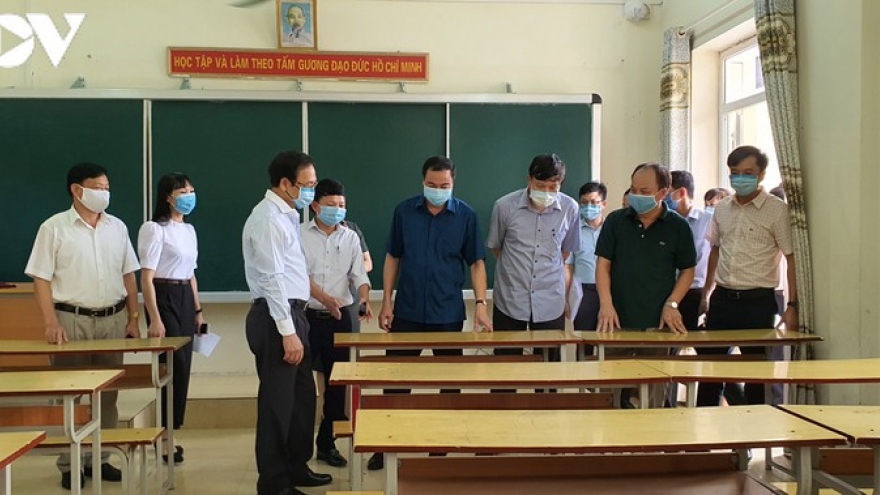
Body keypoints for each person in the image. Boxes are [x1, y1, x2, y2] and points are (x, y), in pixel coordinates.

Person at [370, 156, 491, 471]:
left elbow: (477, 262)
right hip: (407, 309)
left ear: (453, 183)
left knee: (449, 381)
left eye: (444, 185)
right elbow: (393, 257)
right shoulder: (404, 211)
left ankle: (442, 442)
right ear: (423, 182)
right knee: (397, 380)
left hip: (447, 311)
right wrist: (386, 301)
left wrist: (481, 303)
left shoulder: (466, 215)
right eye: (431, 185)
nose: (437, 190)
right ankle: (385, 444)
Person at [25, 162, 140, 490]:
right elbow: (41, 279)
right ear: (77, 190)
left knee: (107, 395)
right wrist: (50, 322)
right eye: (98, 188)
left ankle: (99, 458)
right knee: (70, 395)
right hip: (70, 319)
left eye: (107, 188)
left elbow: (129, 274)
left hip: (113, 320)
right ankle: (69, 462)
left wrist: (133, 318)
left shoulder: (117, 227)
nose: (104, 193)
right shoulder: (53, 228)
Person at [242, 151, 331, 495]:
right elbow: (272, 278)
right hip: (276, 317)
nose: (311, 191)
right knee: (277, 404)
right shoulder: (267, 219)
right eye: (306, 185)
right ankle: (274, 482)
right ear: (284, 183)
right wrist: (287, 331)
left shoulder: (287, 215)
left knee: (301, 399)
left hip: (295, 314)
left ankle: (296, 466)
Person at [697, 146, 797, 407]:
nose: (740, 178)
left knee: (756, 375)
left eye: (748, 173)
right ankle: (701, 429)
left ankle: (755, 430)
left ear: (761, 175)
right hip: (722, 299)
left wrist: (792, 305)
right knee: (710, 371)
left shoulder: (776, 210)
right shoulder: (722, 208)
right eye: (735, 172)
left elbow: (790, 257)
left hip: (758, 302)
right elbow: (715, 250)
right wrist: (707, 293)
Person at [595, 163, 696, 409]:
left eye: (644, 191)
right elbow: (603, 266)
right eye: (633, 190)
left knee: (655, 392)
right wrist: (606, 304)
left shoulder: (678, 226)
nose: (636, 196)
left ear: (662, 193)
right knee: (608, 391)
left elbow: (687, 270)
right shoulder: (616, 221)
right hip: (616, 321)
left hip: (658, 324)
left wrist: (673, 303)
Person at [301, 178, 371, 469]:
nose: (337, 210)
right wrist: (325, 298)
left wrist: (365, 298)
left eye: (341, 205)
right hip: (306, 317)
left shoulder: (350, 237)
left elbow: (360, 275)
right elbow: (299, 276)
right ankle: (298, 448)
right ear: (316, 206)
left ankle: (326, 443)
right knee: (302, 385)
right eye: (331, 205)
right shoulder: (299, 234)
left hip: (340, 320)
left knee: (337, 384)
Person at [137, 172, 204, 464]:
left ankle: (172, 433)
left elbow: (191, 274)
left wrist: (198, 311)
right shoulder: (154, 229)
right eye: (182, 192)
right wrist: (154, 318)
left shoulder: (189, 230)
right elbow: (146, 278)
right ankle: (164, 438)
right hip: (163, 297)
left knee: (184, 368)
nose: (189, 196)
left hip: (185, 297)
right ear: (167, 197)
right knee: (171, 368)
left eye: (191, 190)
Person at [487, 154, 579, 359]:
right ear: (529, 180)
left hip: (550, 299)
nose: (546, 192)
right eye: (540, 185)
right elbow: (497, 248)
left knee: (549, 366)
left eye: (553, 187)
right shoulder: (504, 206)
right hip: (510, 297)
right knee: (506, 363)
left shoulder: (570, 209)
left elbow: (565, 252)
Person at [665, 170, 712, 330]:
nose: (662, 198)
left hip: (695, 292)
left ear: (681, 193)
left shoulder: (708, 221)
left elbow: (716, 258)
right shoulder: (664, 223)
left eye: (666, 193)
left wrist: (707, 294)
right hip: (667, 291)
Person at [566, 181, 607, 338]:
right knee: (584, 339)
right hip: (583, 292)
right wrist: (565, 297)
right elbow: (568, 266)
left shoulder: (612, 229)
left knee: (609, 338)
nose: (588, 207)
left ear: (603, 204)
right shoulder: (573, 231)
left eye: (594, 202)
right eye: (584, 202)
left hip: (609, 291)